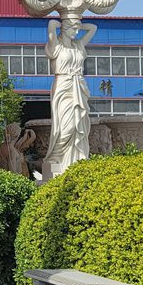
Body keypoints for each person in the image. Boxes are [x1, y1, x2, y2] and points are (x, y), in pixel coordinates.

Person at [45, 17, 97, 174]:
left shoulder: (79, 45)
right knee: (65, 126)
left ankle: (77, 158)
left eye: (77, 30)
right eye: (73, 29)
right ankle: (56, 157)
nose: (76, 32)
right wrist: (64, 22)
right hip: (63, 86)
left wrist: (76, 22)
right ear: (64, 29)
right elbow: (51, 25)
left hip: (79, 86)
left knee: (79, 123)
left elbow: (93, 28)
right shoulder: (56, 46)